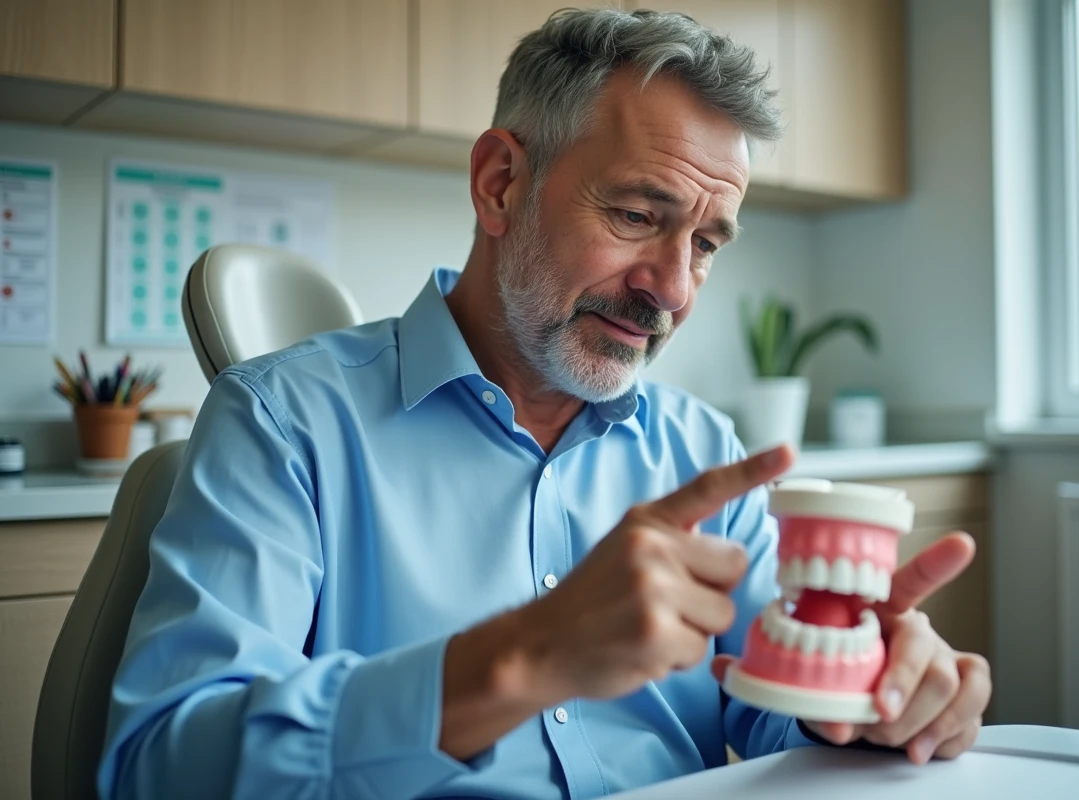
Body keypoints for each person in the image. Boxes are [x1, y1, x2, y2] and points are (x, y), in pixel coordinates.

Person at [98, 8, 990, 799]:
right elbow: (162, 769)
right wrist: (524, 657)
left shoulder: (703, 453)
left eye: (705, 243)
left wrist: (868, 701)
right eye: (637, 216)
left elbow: (774, 719)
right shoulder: (284, 423)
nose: (673, 289)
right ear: (500, 184)